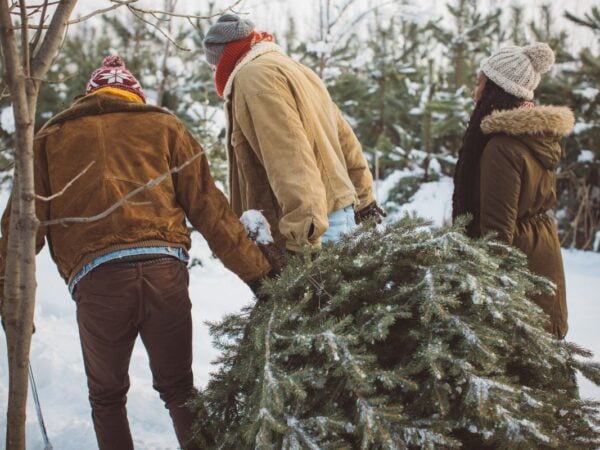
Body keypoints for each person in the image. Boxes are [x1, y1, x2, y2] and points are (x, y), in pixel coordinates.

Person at [0, 55, 274, 450]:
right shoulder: (164, 126)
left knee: (107, 397)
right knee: (180, 388)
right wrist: (258, 274)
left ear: (88, 96)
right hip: (164, 271)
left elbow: (22, 226)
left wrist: (11, 292)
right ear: (134, 96)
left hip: (98, 280)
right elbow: (210, 209)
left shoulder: (51, 137)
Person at [203, 14, 385, 253]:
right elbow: (345, 140)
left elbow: (290, 158)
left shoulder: (254, 78)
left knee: (318, 292)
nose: (214, 71)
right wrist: (365, 200)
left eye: (214, 65)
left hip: (309, 230)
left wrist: (302, 238)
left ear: (224, 57)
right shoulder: (297, 70)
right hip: (336, 216)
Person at [452, 43, 574, 338]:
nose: (474, 91)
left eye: (479, 83)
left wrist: (485, 295)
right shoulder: (532, 137)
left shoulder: (501, 147)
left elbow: (497, 234)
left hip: (519, 268)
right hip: (541, 254)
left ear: (496, 89)